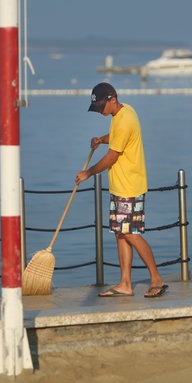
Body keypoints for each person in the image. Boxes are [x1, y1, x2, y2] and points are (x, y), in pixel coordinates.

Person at [76, 82, 168, 298]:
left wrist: (88, 173)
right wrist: (101, 138)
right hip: (121, 186)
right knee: (121, 234)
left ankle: (157, 279)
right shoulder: (121, 114)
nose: (99, 111)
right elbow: (116, 137)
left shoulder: (125, 119)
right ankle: (125, 284)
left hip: (129, 187)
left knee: (131, 233)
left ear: (112, 99)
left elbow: (112, 156)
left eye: (100, 106)